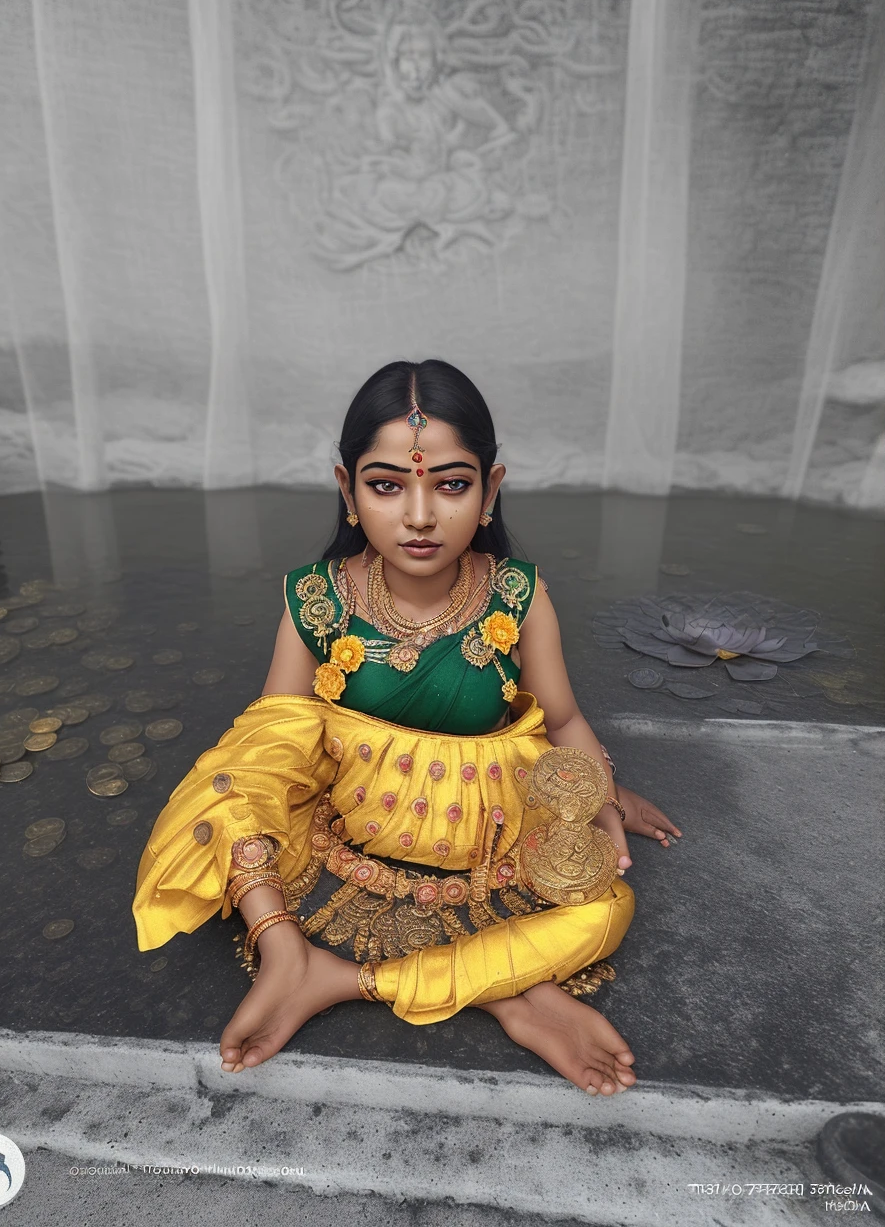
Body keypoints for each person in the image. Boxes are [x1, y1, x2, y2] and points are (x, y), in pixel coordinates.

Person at [132, 360, 682, 1097]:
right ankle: (496, 986)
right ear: (348, 492)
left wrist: (598, 797)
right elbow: (270, 746)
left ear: (490, 491)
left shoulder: (517, 595)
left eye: (451, 484)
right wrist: (238, 804)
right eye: (387, 485)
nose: (419, 515)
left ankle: (338, 977)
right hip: (344, 824)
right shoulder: (317, 600)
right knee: (220, 792)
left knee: (605, 909)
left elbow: (566, 718)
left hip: (492, 828)